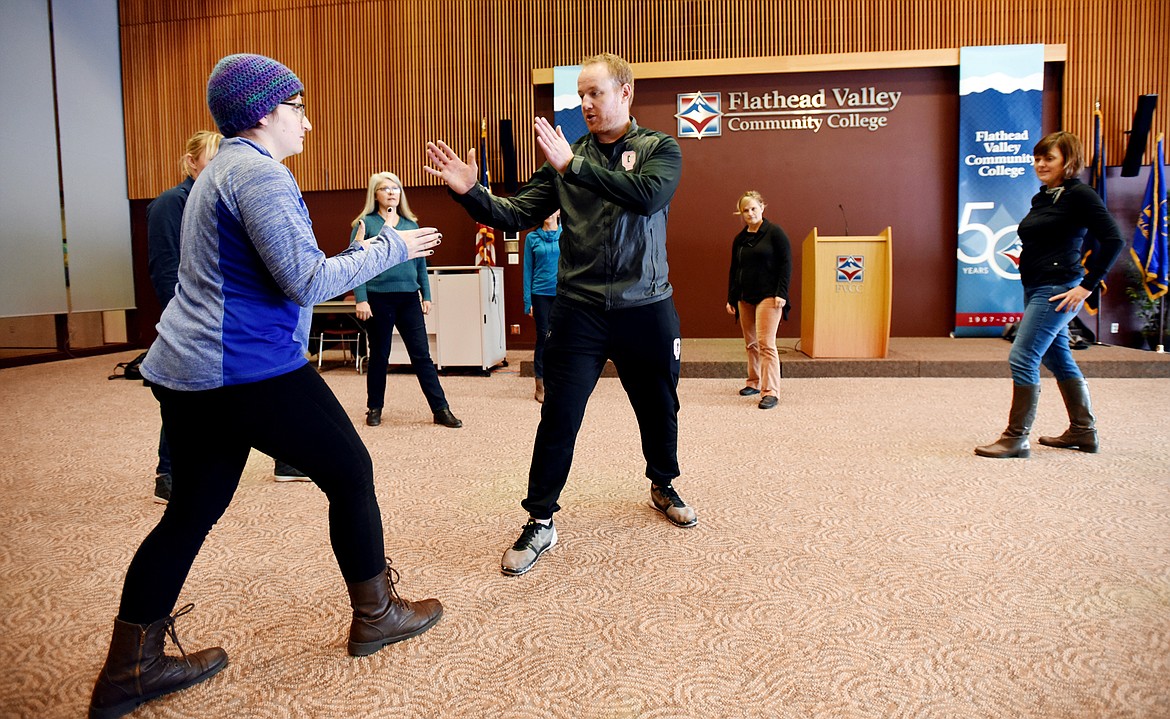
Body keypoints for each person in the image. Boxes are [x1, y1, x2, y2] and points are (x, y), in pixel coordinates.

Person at [89, 54, 444, 719]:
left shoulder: (220, 171)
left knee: (190, 510)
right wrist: (394, 246)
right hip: (244, 368)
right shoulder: (258, 174)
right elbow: (307, 279)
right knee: (351, 470)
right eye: (299, 106)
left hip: (189, 372)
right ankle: (378, 614)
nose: (308, 120)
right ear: (263, 112)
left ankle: (130, 668)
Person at [425, 52, 696, 578]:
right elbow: (515, 213)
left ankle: (662, 481)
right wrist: (470, 194)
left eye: (596, 93)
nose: (586, 105)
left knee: (660, 404)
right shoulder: (564, 158)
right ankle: (540, 519)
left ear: (626, 93)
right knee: (559, 416)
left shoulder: (659, 149)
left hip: (647, 306)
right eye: (581, 96)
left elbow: (647, 197)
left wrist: (574, 168)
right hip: (580, 311)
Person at [975, 131, 1123, 459]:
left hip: (1059, 289)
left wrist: (1087, 286)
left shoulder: (1081, 195)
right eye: (1037, 158)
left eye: (1048, 158)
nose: (1040, 164)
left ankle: (1016, 438)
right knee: (1057, 357)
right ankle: (1083, 432)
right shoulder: (1043, 197)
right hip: (1036, 286)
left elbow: (1114, 240)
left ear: (1068, 161)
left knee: (1022, 356)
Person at [351, 171, 462, 429]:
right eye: (384, 188)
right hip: (378, 299)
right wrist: (361, 299)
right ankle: (374, 408)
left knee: (421, 355)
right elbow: (355, 263)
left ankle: (440, 409)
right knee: (379, 354)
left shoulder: (411, 225)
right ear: (375, 194)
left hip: (409, 298)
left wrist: (427, 294)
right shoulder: (365, 224)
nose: (391, 192)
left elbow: (421, 265)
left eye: (395, 188)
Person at [146, 130, 222, 503]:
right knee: (180, 395)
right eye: (211, 159)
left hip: (217, 314)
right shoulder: (168, 204)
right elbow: (164, 268)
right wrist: (182, 316)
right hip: (187, 316)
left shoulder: (216, 198)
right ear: (192, 162)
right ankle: (168, 471)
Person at [725, 191, 791, 410]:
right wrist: (731, 298)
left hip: (769, 296)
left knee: (766, 344)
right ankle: (753, 382)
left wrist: (782, 292)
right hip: (745, 296)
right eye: (746, 210)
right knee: (751, 344)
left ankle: (771, 391)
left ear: (762, 207)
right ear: (741, 213)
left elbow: (786, 264)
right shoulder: (740, 239)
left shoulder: (775, 233)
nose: (750, 213)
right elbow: (735, 270)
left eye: (754, 208)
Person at [523, 210, 561, 403]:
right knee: (544, 338)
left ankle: (561, 382)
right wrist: (528, 301)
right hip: (540, 295)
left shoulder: (566, 234)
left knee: (564, 339)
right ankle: (541, 385)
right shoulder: (532, 238)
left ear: (559, 211)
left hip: (563, 294)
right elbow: (527, 270)